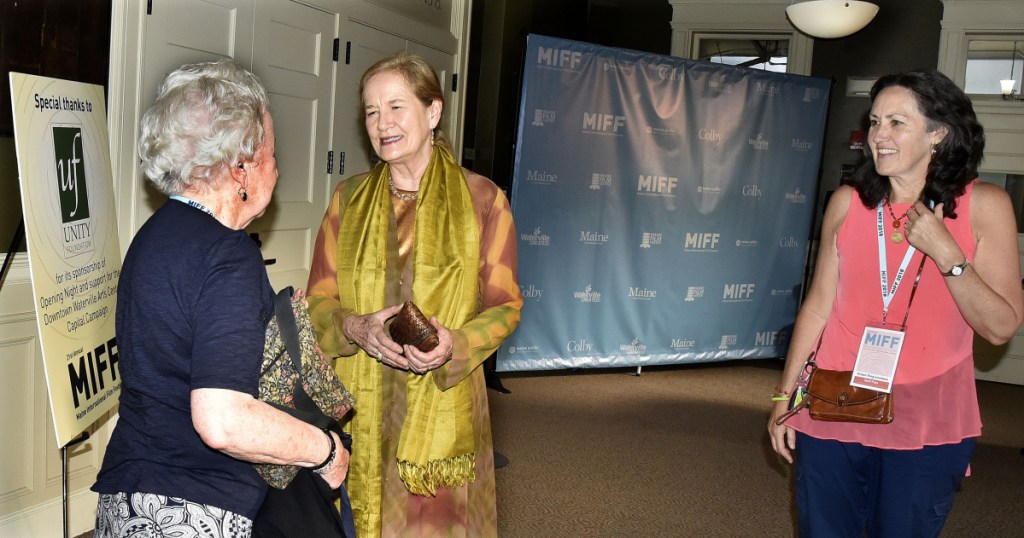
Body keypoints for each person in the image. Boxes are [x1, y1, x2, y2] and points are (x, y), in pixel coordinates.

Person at [92, 59, 350, 537]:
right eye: (272, 152)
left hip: (129, 498)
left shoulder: (152, 237)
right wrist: (326, 452)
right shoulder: (228, 255)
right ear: (242, 165)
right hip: (193, 510)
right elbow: (222, 420)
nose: (276, 166)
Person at [768, 69, 1024, 536]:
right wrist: (785, 398)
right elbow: (819, 306)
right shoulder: (848, 203)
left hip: (927, 417)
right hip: (833, 402)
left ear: (938, 134)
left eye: (897, 123)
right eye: (875, 122)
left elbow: (1000, 327)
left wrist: (946, 252)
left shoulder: (985, 205)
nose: (878, 136)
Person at [306, 50, 523, 537]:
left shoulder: (484, 201)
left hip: (439, 405)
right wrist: (355, 326)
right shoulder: (347, 198)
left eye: (396, 106)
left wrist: (456, 345)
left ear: (433, 111)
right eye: (371, 111)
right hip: (359, 402)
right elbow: (317, 302)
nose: (382, 123)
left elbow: (505, 306)